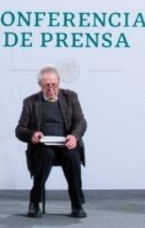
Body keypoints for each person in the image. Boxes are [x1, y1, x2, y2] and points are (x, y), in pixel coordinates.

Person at [15, 65, 87, 219]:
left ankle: (77, 204)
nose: (51, 88)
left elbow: (81, 121)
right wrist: (32, 134)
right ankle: (34, 203)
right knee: (45, 155)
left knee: (73, 157)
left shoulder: (70, 97)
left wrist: (74, 136)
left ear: (59, 83)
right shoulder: (30, 102)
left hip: (66, 144)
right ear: (40, 85)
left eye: (54, 84)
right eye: (47, 85)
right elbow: (19, 130)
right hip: (43, 147)